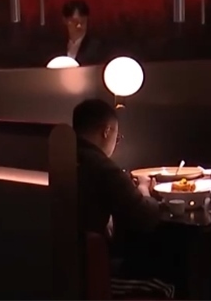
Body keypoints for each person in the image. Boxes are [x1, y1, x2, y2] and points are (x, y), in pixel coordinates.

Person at [72, 99, 176, 299]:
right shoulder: (102, 167)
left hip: (58, 267)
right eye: (117, 137)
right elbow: (145, 217)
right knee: (167, 285)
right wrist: (144, 188)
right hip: (90, 273)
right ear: (106, 131)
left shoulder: (61, 155)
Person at [58, 0, 106, 66]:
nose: (79, 26)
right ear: (65, 20)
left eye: (83, 22)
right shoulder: (57, 46)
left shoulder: (96, 47)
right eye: (75, 21)